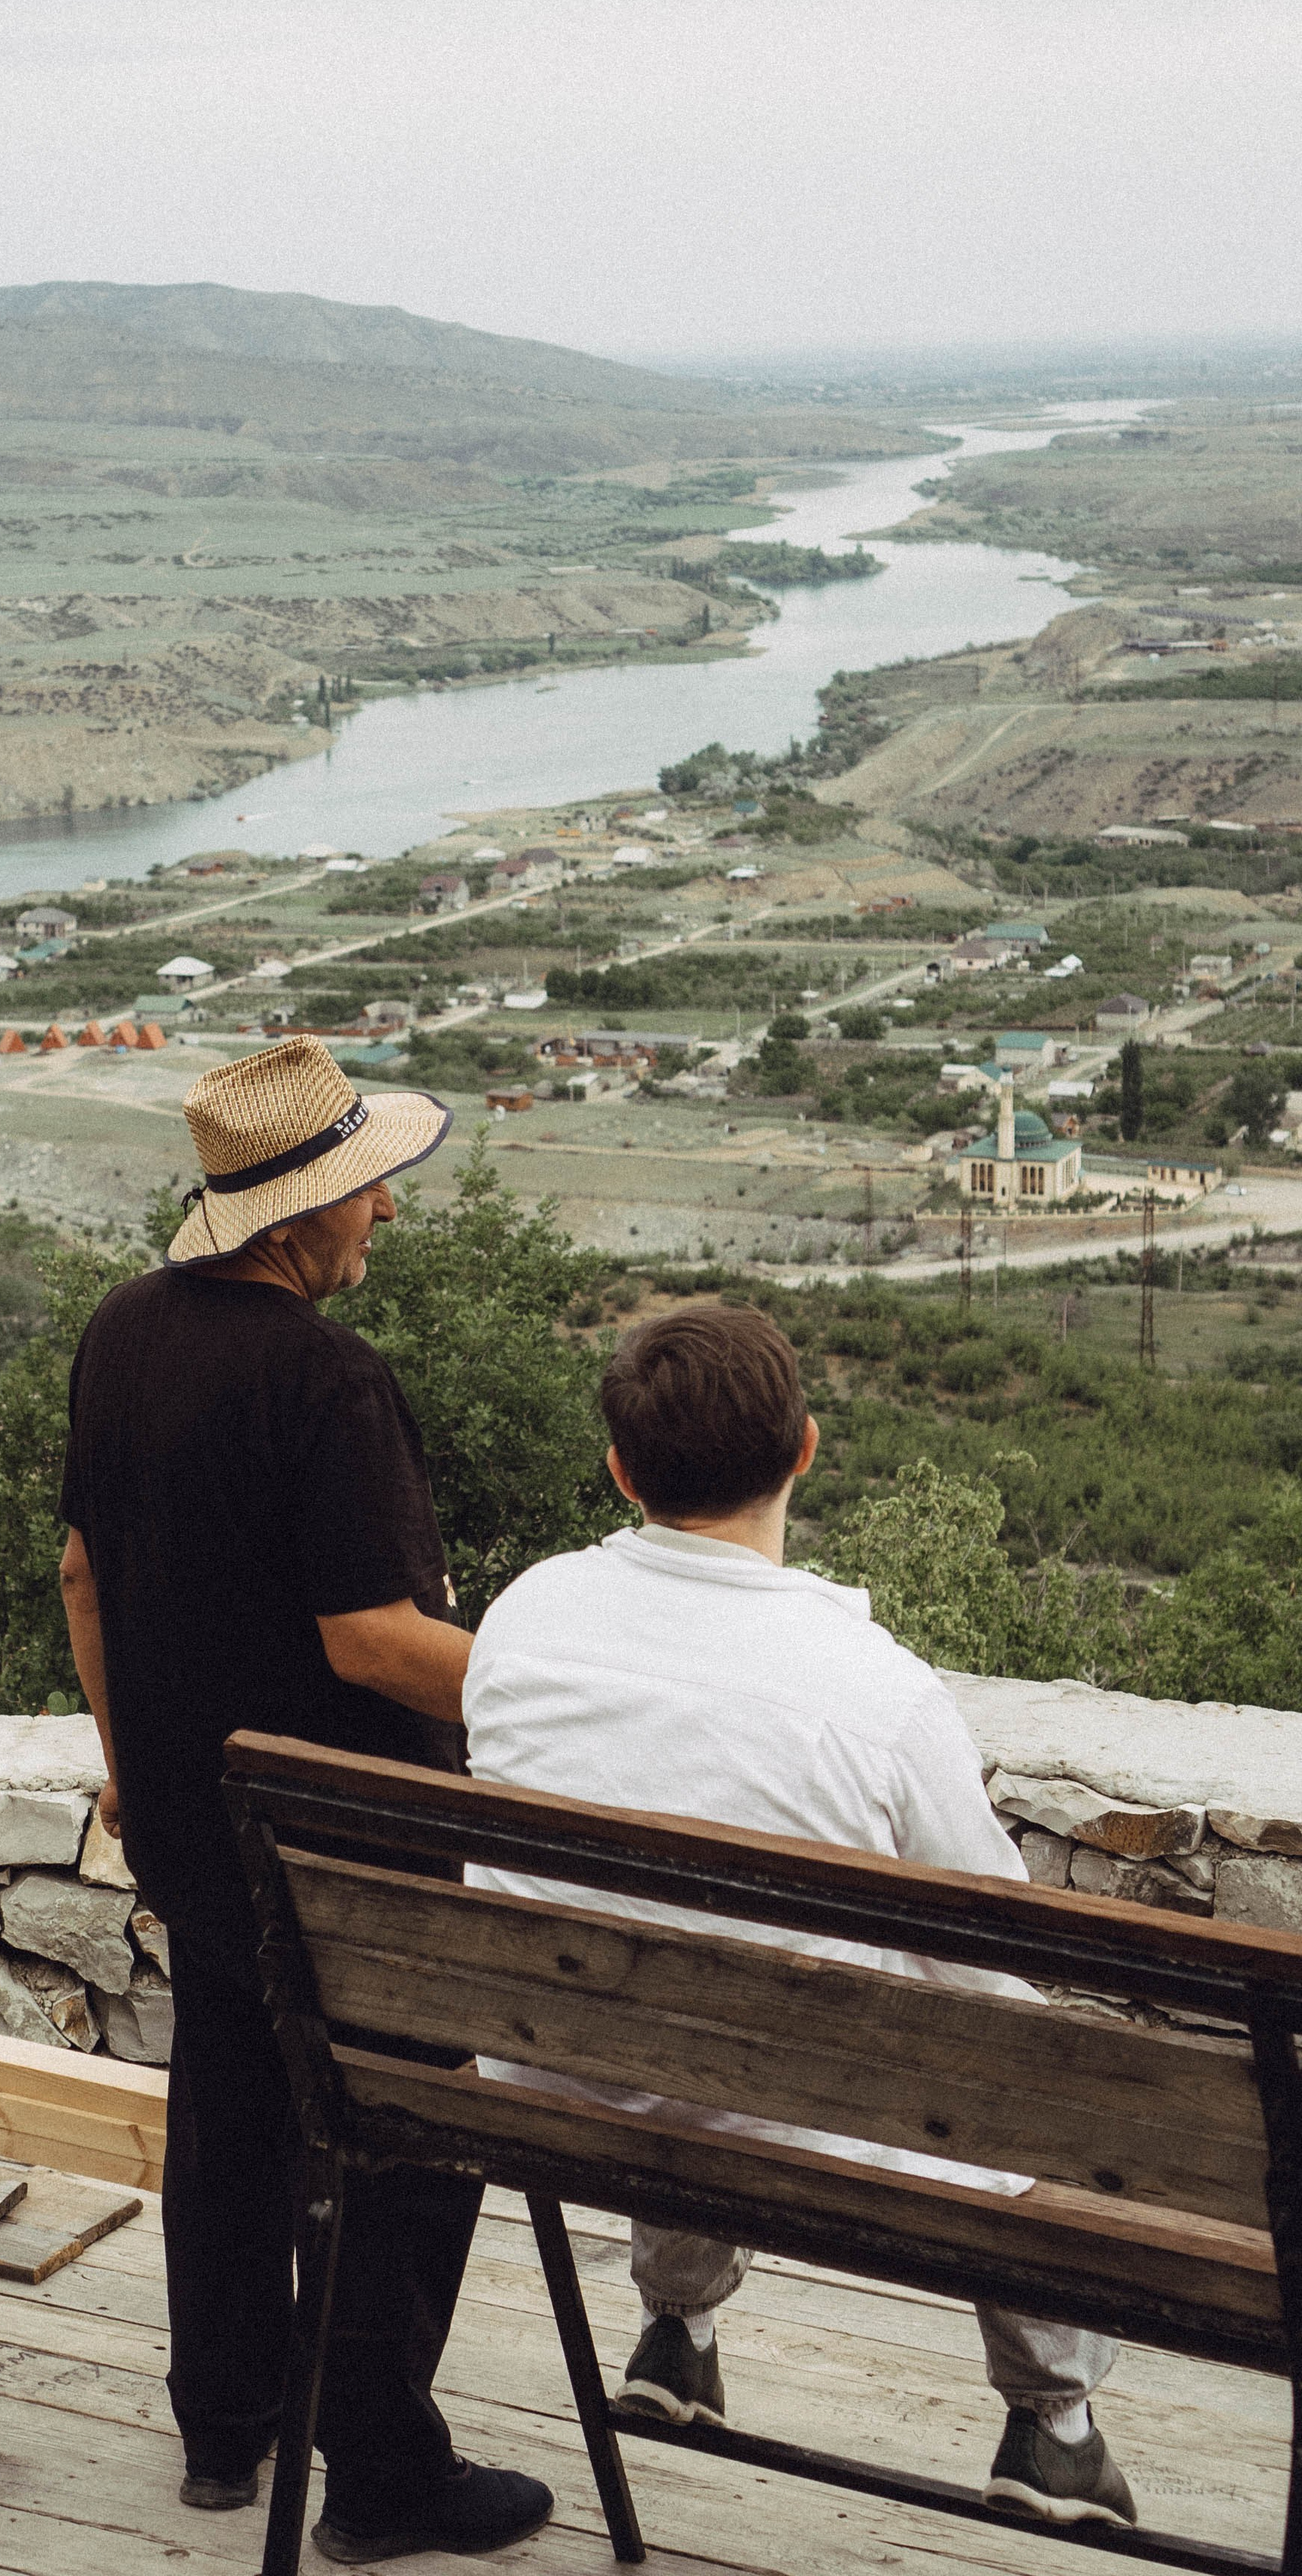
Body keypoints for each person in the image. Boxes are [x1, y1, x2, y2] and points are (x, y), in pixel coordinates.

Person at [461, 1301, 1136, 2534]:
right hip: (781, 2107)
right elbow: (994, 1942)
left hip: (544, 2079)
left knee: (679, 1998)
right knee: (1007, 2062)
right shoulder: (875, 1691)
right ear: (807, 1449)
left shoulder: (526, 1618)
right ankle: (1056, 2424)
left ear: (620, 1469)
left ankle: (676, 2329)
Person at [57, 1034, 552, 2567]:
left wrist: (132, 1766)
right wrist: (563, 1695)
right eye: (363, 1193)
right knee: (410, 2123)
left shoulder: (120, 1331)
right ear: (292, 1221)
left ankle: (223, 2424)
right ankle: (383, 2471)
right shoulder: (329, 1380)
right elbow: (375, 1644)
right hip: (350, 1848)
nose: (383, 1218)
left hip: (198, 1823)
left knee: (228, 2103)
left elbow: (83, 1571)